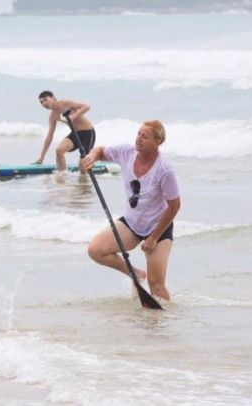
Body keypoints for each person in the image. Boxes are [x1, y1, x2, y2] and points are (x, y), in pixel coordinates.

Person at [82, 120, 180, 301]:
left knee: (156, 285)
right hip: (132, 222)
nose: (139, 139)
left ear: (158, 142)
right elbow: (101, 151)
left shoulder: (164, 169)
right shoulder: (126, 152)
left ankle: (165, 325)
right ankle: (135, 274)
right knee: (96, 250)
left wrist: (153, 238)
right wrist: (91, 157)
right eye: (138, 134)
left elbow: (174, 206)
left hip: (158, 227)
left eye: (145, 136)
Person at [33, 90, 95, 174]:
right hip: (75, 134)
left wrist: (72, 117)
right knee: (59, 150)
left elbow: (86, 107)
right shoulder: (52, 116)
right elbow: (49, 137)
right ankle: (62, 176)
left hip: (88, 133)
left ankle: (86, 174)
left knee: (82, 169)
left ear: (53, 98)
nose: (44, 103)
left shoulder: (65, 103)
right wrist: (41, 157)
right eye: (41, 102)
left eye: (45, 100)